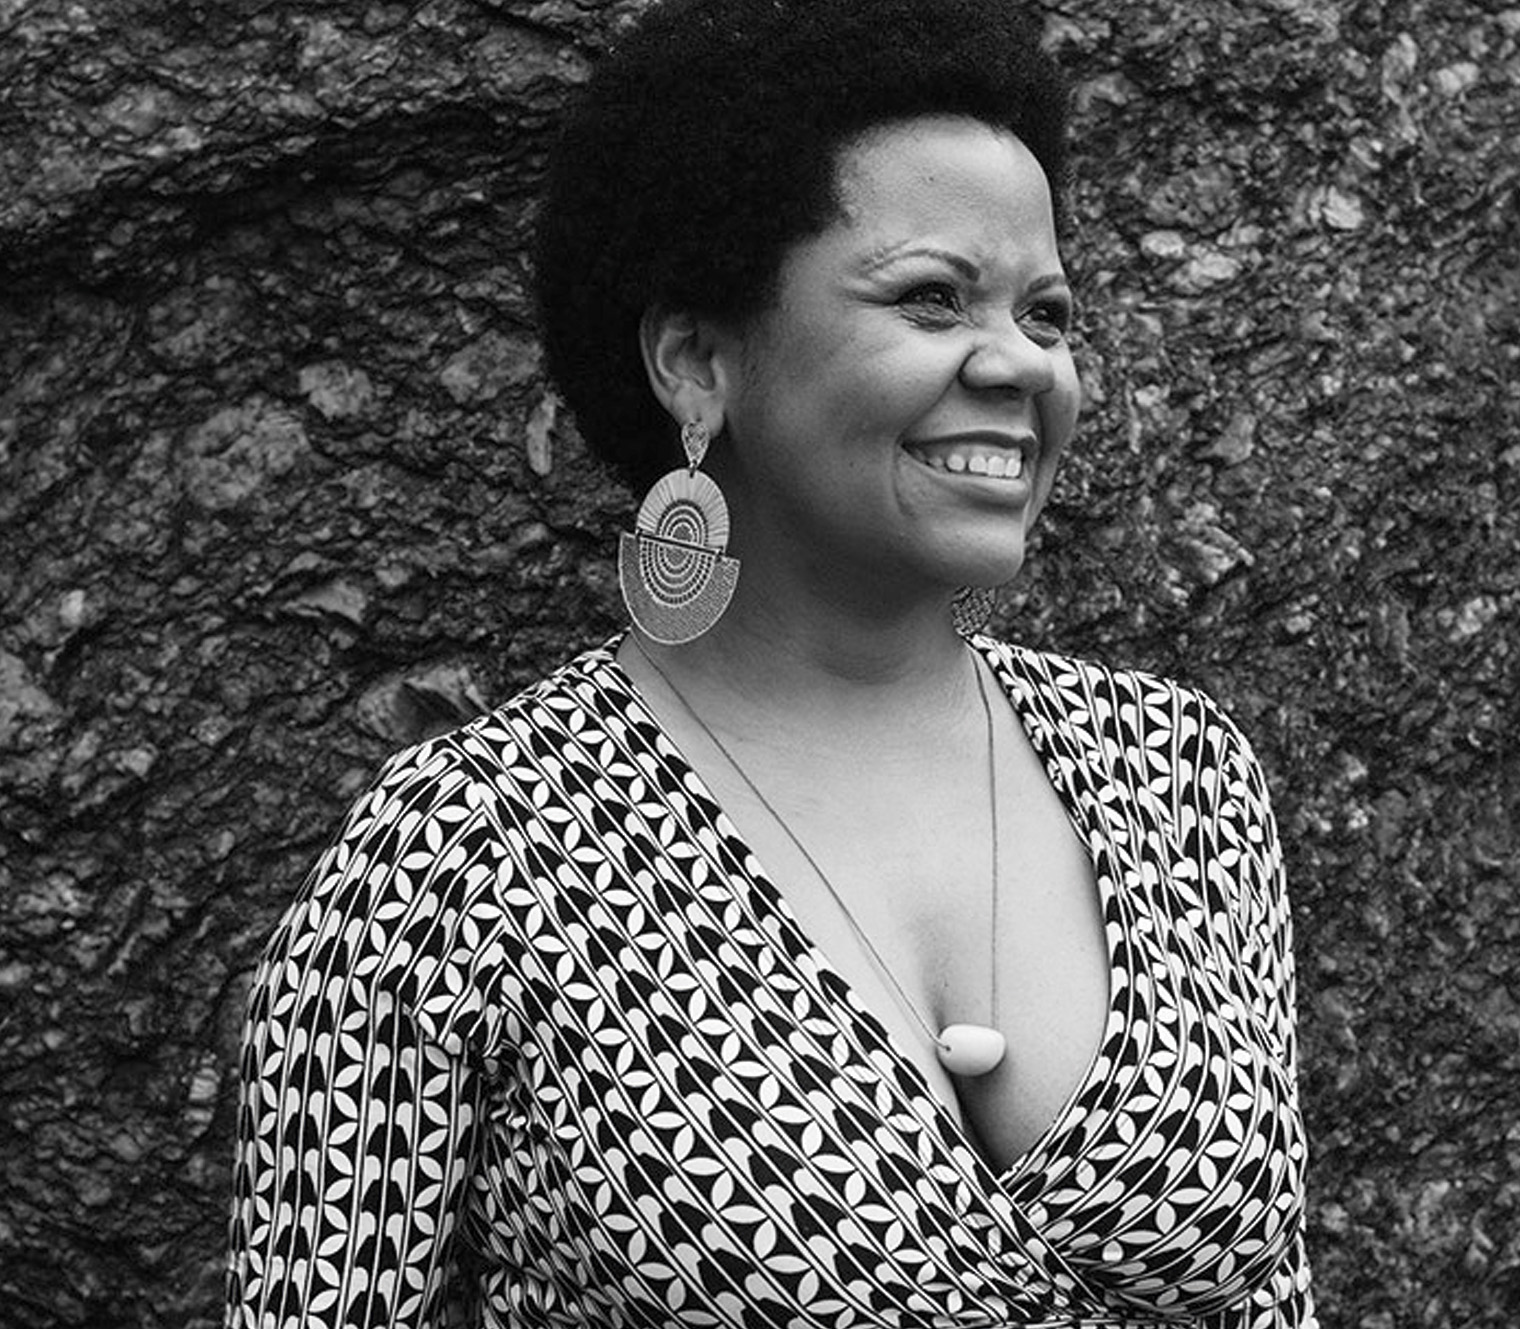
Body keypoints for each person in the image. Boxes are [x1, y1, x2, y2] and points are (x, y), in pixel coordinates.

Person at [224, 0, 1314, 1325]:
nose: (1022, 365)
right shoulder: (463, 858)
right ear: (697, 361)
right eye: (931, 296)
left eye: (1047, 313)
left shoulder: (1177, 774)